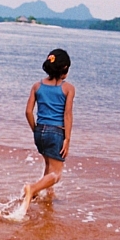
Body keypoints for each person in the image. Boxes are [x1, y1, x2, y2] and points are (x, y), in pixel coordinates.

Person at [21, 48, 75, 209]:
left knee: (48, 165)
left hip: (40, 131)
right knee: (56, 174)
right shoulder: (68, 88)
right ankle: (33, 189)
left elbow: (28, 111)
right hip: (56, 132)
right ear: (64, 69)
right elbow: (67, 115)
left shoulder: (37, 86)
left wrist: (36, 130)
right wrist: (67, 139)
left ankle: (46, 194)